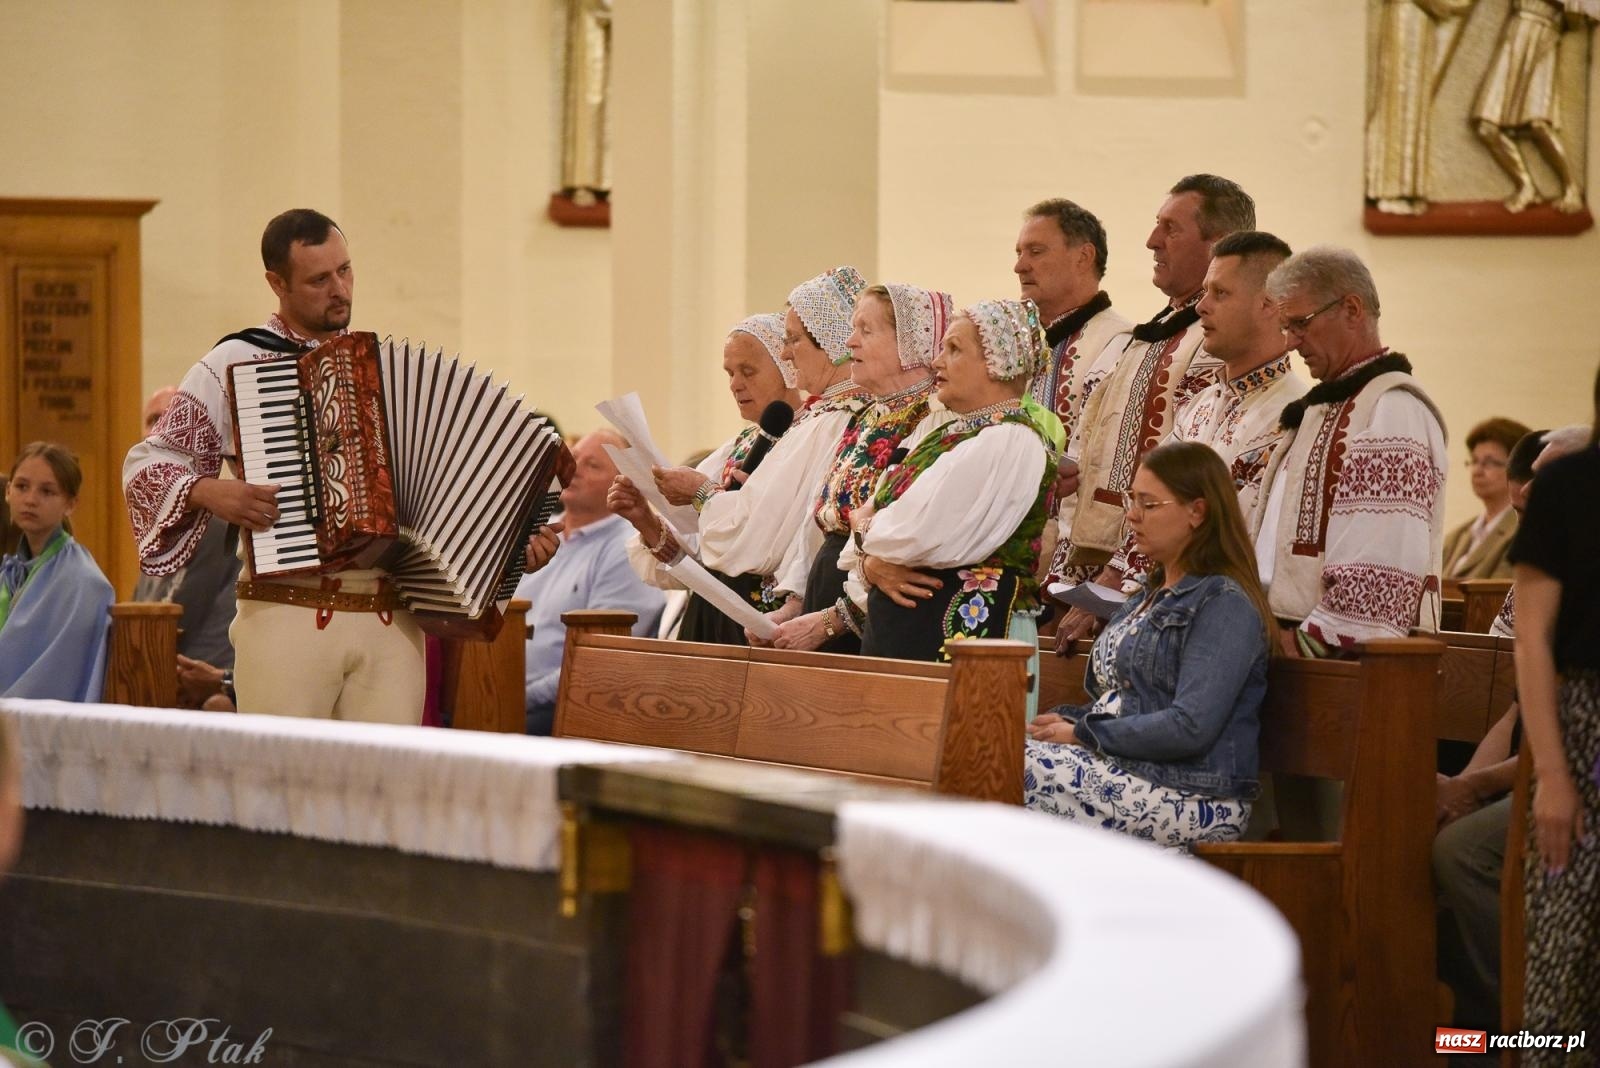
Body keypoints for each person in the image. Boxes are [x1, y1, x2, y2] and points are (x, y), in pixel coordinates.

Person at [123, 209, 427, 722]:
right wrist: (209, 491)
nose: (340, 289)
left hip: (389, 617)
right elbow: (147, 464)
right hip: (287, 609)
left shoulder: (385, 371)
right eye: (319, 279)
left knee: (386, 795)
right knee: (283, 790)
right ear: (276, 283)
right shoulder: (235, 361)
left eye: (345, 271)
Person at [1024, 441, 1270, 851]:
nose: (1132, 516)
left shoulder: (1224, 603)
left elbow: (1190, 727)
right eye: (1131, 499)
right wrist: (1053, 723)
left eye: (1149, 504)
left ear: (1198, 511)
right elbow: (1120, 702)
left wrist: (1082, 733)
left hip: (1191, 793)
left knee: (1007, 768)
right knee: (984, 747)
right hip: (1127, 768)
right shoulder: (1147, 595)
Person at [1432, 423, 1585, 1028]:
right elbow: (1518, 705)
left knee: (1462, 851)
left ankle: (1525, 1021)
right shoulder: (1543, 573)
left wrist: (1478, 788)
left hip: (1578, 776)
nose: (1527, 507)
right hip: (1535, 768)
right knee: (1429, 821)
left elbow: (1582, 740)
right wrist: (1463, 784)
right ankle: (1463, 1030)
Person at [1054, 174, 1252, 637]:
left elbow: (1184, 480)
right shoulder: (1160, 330)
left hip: (1147, 581)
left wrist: (1123, 578)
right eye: (1156, 225)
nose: (1151, 241)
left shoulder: (1209, 345)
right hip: (1099, 570)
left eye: (1171, 229)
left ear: (1218, 245)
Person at [1256, 245, 1449, 657]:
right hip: (1278, 636)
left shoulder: (1393, 410)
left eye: (1300, 324)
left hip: (1335, 656)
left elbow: (1385, 550)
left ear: (1352, 309)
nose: (1291, 342)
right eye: (1285, 327)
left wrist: (1309, 643)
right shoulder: (1322, 407)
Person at [840, 299, 1054, 665]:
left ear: (999, 364)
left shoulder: (1009, 440)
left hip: (973, 631)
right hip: (914, 630)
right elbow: (882, 530)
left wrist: (865, 532)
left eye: (954, 349)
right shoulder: (949, 435)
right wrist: (870, 559)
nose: (938, 362)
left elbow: (918, 534)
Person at [767, 279, 952, 654]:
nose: (851, 342)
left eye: (866, 330)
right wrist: (797, 601)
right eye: (853, 329)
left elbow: (905, 548)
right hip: (830, 590)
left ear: (910, 344)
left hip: (873, 608)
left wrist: (837, 618)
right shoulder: (867, 415)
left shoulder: (932, 421)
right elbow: (818, 519)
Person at [1508, 361, 1600, 1056]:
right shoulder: (1569, 484)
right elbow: (1532, 639)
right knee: (1565, 959)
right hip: (1585, 721)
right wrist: (1555, 777)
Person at [617, 310, 806, 644]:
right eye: (730, 373)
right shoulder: (738, 446)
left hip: (767, 623)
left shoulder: (811, 438)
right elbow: (693, 557)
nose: (735, 384)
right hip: (712, 615)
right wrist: (644, 517)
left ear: (789, 368)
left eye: (748, 371)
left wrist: (703, 494)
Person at [518, 430, 665, 735]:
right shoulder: (538, 535)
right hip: (498, 691)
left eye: (593, 466)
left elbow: (595, 661)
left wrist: (517, 697)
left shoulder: (628, 549)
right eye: (572, 460)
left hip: (563, 710)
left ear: (624, 484)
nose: (574, 470)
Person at [131, 385, 244, 676]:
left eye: (168, 419)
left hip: (209, 683)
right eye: (153, 420)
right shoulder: (159, 521)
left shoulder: (215, 516)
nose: (159, 430)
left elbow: (173, 619)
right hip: (165, 676)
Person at [0, 443, 114, 702]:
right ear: (7, 492)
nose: (30, 499)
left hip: (41, 727)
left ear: (71, 504)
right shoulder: (10, 573)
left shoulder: (84, 582)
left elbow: (61, 675)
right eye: (21, 487)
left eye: (47, 491)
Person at [1442, 416, 1532, 580]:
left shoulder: (1524, 533)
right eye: (1475, 461)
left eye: (1489, 462)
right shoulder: (1457, 536)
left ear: (1516, 469)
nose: (1477, 470)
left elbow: (1497, 595)